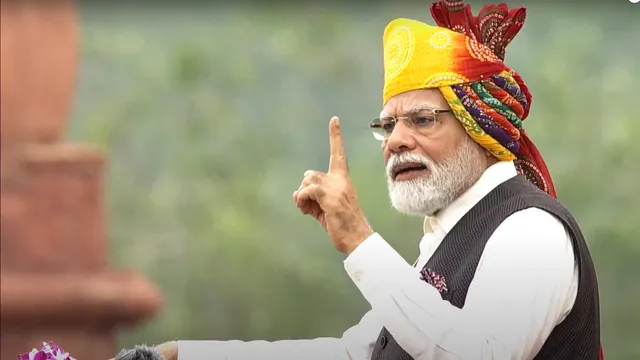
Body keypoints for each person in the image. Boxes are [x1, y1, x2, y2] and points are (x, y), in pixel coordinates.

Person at [112, 1, 602, 359]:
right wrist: (182, 355)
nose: (395, 141)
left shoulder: (531, 231)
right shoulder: (445, 238)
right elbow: (358, 353)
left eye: (422, 120)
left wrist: (359, 240)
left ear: (480, 130)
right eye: (388, 126)